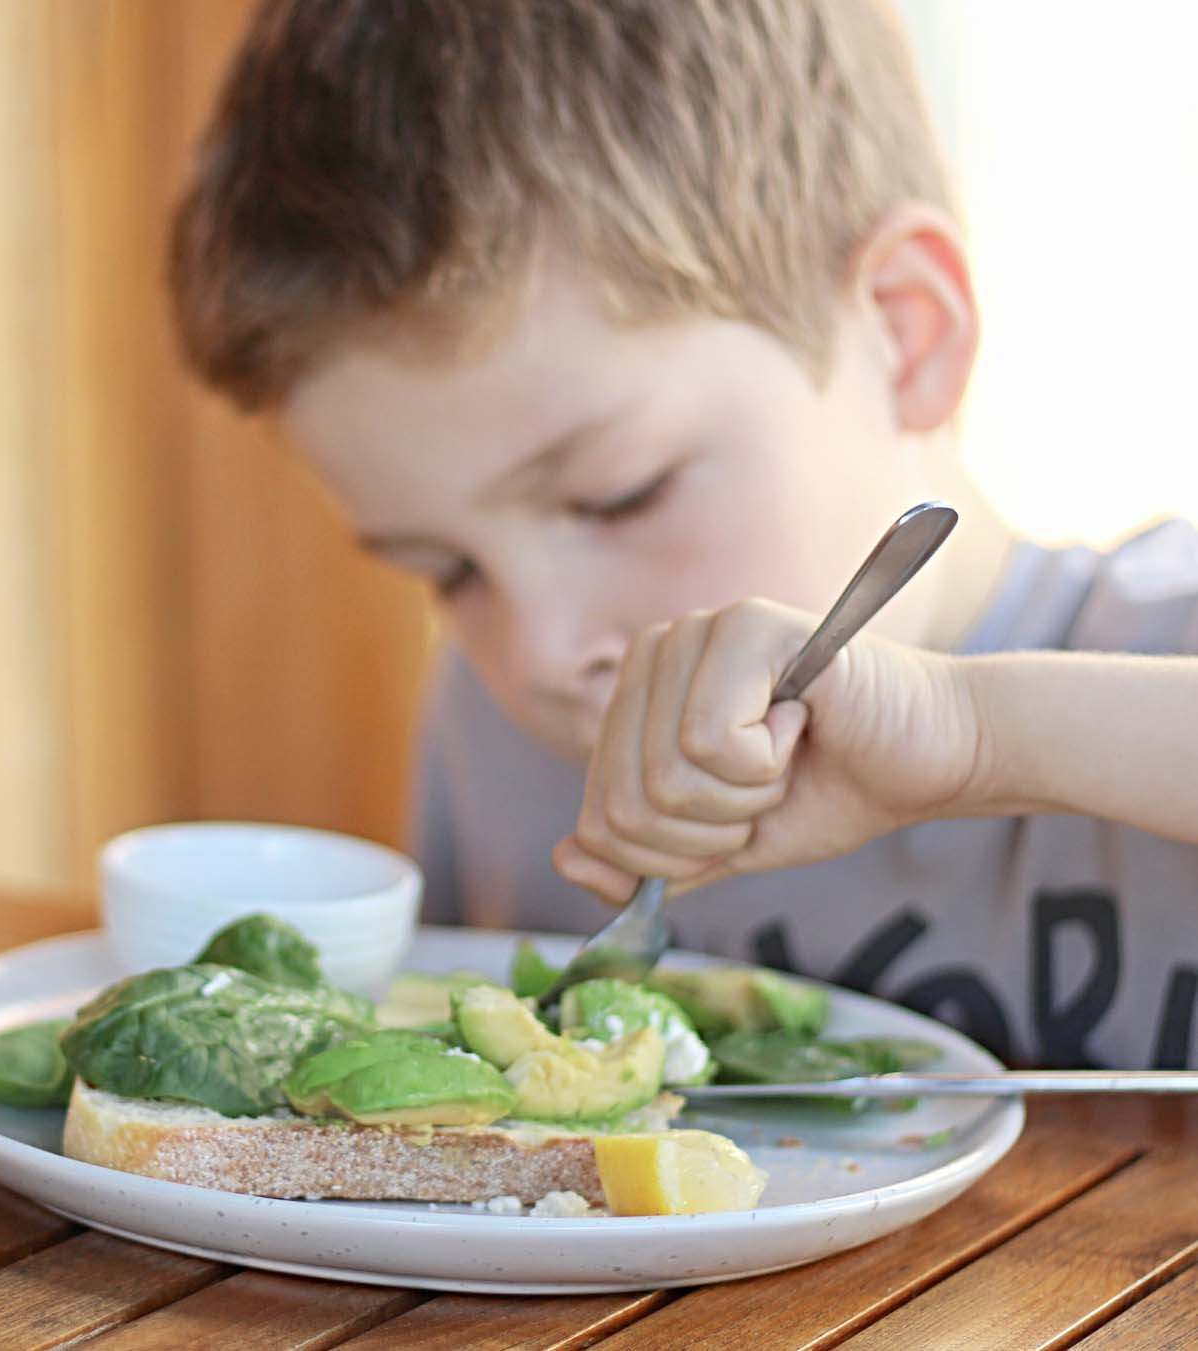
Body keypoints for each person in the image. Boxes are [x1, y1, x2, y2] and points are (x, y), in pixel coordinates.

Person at [165, 0, 1198, 1069]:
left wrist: (979, 733)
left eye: (621, 494)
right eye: (449, 570)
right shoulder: (496, 731)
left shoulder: (1159, 649)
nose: (543, 652)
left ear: (904, 329)